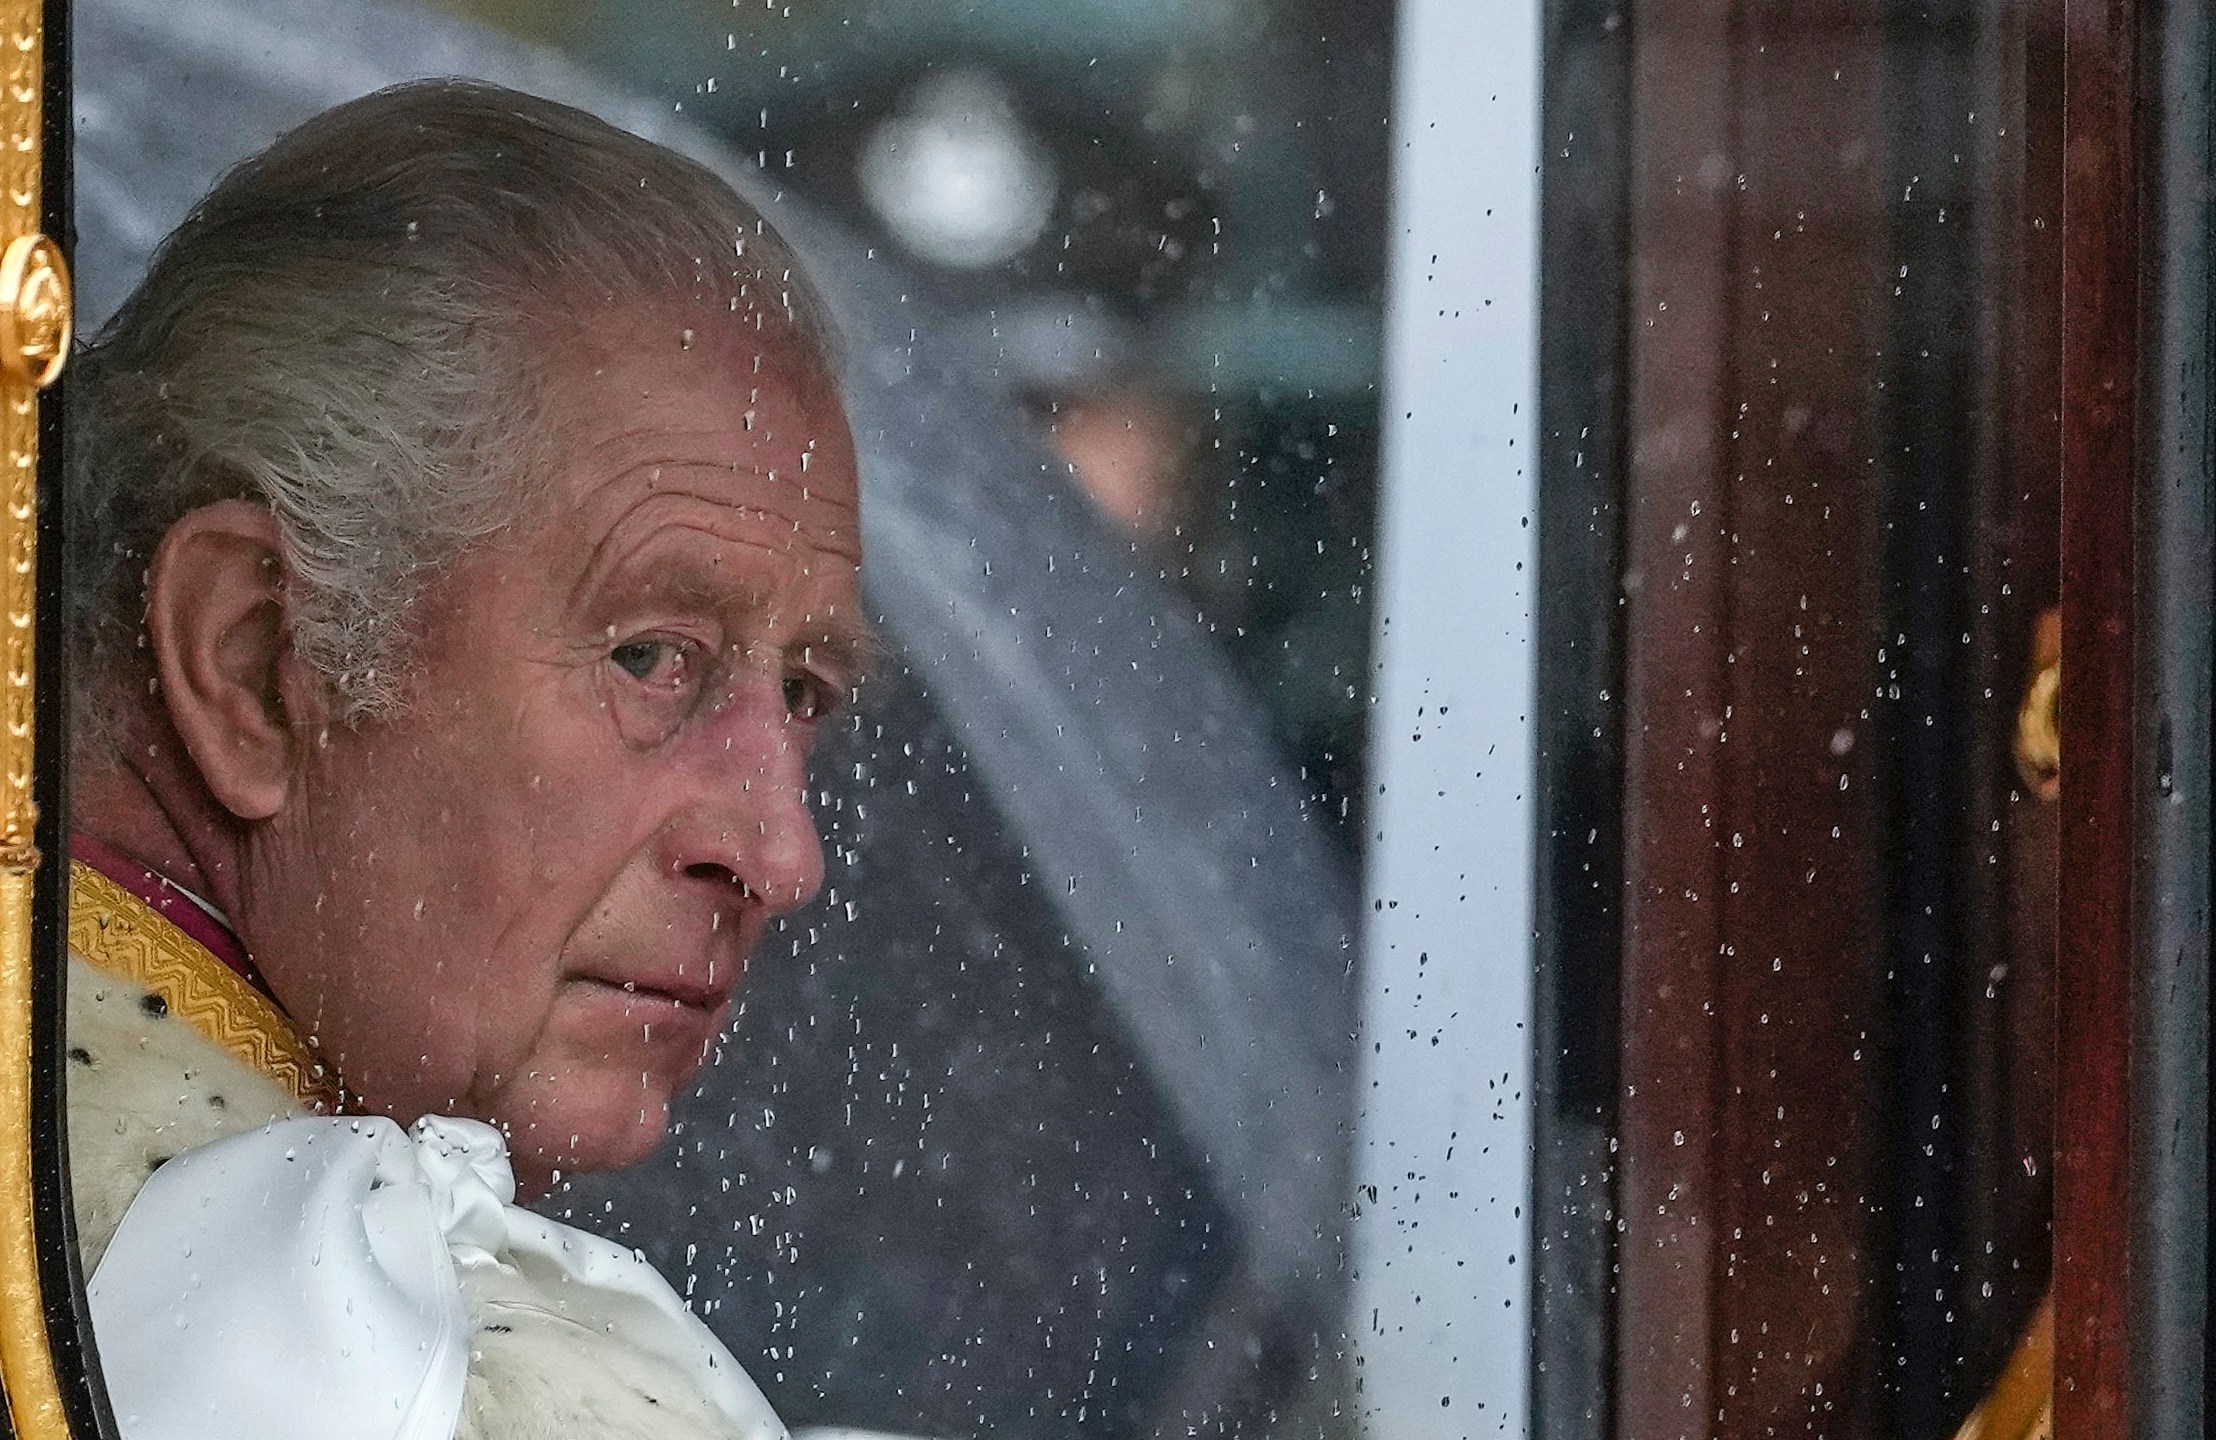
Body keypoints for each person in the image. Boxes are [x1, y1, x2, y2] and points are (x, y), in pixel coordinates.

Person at [61, 78, 867, 1440]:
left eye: (803, 691)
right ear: (255, 661)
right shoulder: (405, 1368)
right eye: (650, 657)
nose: (782, 857)